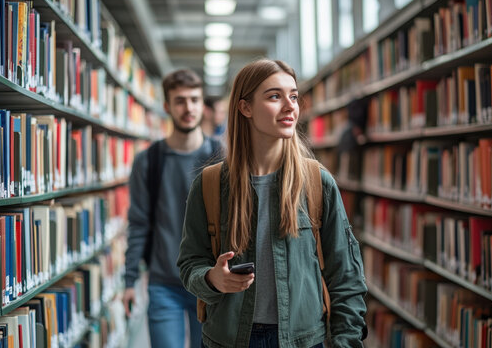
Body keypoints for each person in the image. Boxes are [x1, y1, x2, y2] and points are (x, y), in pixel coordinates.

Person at [177, 59, 367, 348]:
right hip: (228, 340)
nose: (290, 106)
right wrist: (213, 279)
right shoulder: (210, 185)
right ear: (245, 107)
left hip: (302, 340)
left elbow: (346, 275)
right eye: (275, 96)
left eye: (293, 96)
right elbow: (190, 264)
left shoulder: (317, 182)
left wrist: (346, 342)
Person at [123, 69, 222, 348]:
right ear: (167, 106)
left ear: (203, 105)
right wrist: (130, 280)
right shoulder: (149, 161)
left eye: (194, 100)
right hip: (163, 283)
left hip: (210, 281)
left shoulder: (222, 157)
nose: (188, 108)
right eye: (180, 101)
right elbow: (139, 223)